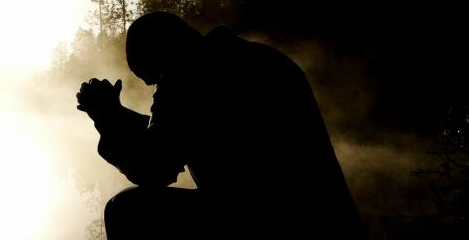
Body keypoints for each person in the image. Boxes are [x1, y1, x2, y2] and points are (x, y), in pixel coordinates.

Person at [76, 12, 365, 239]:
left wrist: (106, 118)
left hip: (269, 223)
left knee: (127, 211)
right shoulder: (252, 57)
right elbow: (181, 133)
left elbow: (154, 168)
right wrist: (118, 114)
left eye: (155, 79)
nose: (156, 90)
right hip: (330, 220)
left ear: (164, 53)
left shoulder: (189, 76)